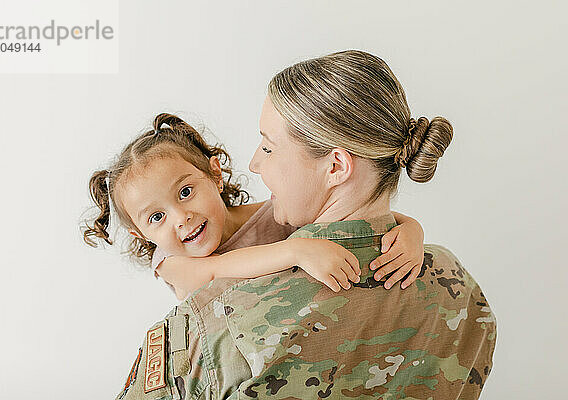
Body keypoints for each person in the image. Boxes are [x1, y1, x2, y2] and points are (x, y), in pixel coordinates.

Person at [112, 50, 496, 400]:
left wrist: (411, 229)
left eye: (268, 146)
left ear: (335, 167)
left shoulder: (212, 330)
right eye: (156, 217)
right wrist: (412, 233)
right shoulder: (460, 286)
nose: (254, 164)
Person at [82, 114, 425, 301]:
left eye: (185, 192)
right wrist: (296, 251)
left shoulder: (273, 215)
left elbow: (364, 213)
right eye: (157, 217)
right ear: (141, 234)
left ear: (215, 175)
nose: (180, 217)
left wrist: (410, 231)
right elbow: (216, 270)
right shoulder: (172, 262)